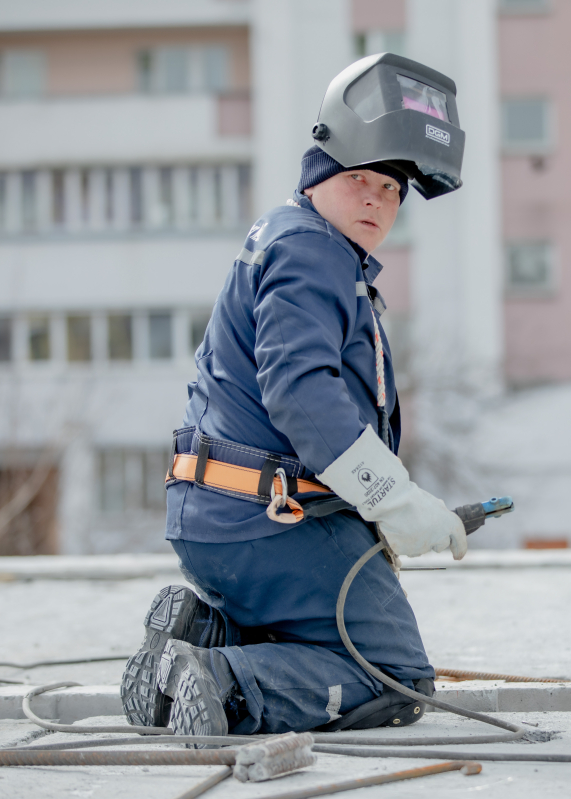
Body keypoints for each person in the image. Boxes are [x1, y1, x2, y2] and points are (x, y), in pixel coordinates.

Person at [120, 53, 469, 738]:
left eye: (392, 190)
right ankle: (222, 679)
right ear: (319, 175)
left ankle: (203, 633)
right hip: (270, 525)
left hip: (221, 517)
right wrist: (391, 497)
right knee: (392, 677)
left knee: (324, 644)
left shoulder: (287, 239)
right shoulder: (313, 252)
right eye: (361, 180)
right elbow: (300, 392)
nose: (377, 199)